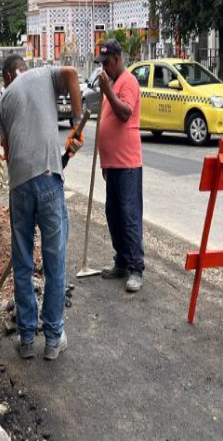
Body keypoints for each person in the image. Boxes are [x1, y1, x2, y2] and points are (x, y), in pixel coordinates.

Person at [0, 55, 84, 361]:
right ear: (20, 69)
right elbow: (73, 75)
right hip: (49, 178)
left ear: (7, 75)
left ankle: (25, 338)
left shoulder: (4, 99)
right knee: (54, 261)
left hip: (19, 187)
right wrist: (76, 125)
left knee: (22, 264)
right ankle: (52, 338)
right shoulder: (44, 74)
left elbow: (7, 154)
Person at [95, 40, 145, 292]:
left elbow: (125, 112)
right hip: (113, 164)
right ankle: (122, 261)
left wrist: (108, 91)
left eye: (106, 63)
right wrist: (105, 161)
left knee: (130, 216)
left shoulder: (129, 82)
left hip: (127, 164)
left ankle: (136, 268)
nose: (103, 68)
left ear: (117, 59)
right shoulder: (112, 84)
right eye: (101, 64)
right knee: (113, 216)